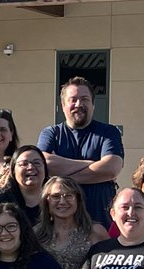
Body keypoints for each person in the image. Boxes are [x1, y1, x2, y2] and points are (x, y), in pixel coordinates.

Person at [38, 76, 124, 227]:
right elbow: (44, 163)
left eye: (84, 99)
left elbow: (111, 168)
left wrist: (60, 177)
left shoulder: (108, 132)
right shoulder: (51, 133)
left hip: (99, 222)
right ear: (63, 105)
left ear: (93, 105)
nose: (79, 104)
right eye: (73, 100)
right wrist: (95, 165)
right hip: (59, 225)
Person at [0, 144, 49, 226]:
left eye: (37, 163)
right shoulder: (0, 204)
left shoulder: (55, 201)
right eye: (24, 164)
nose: (31, 167)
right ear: (13, 170)